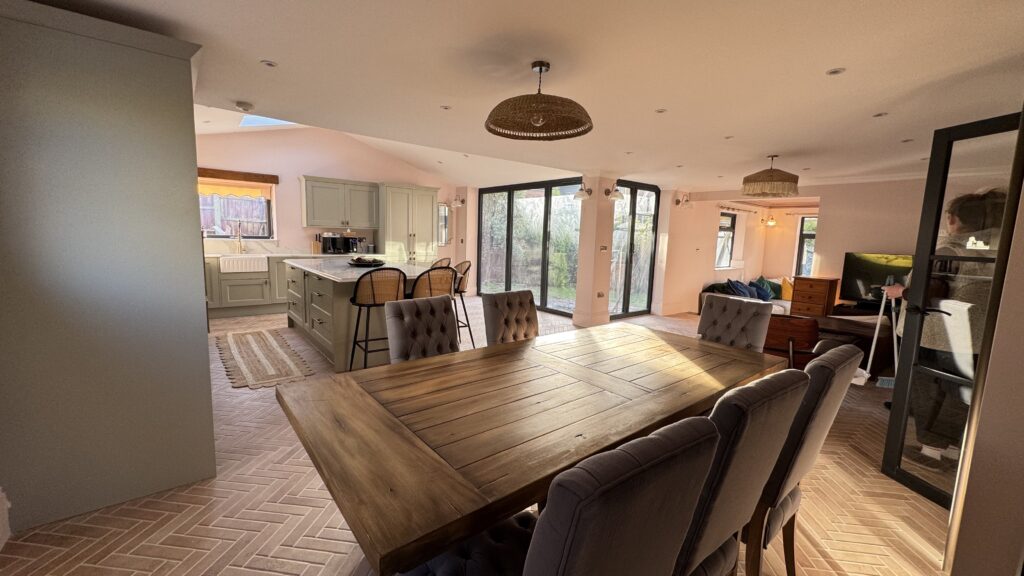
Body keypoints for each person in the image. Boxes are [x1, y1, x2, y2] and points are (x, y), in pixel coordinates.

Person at [883, 187, 1006, 468]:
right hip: (975, 335)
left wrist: (900, 291)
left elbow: (928, 293)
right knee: (959, 390)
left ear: (953, 219)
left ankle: (931, 450)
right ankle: (949, 445)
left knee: (927, 388)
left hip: (937, 333)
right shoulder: (994, 250)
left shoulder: (949, 250)